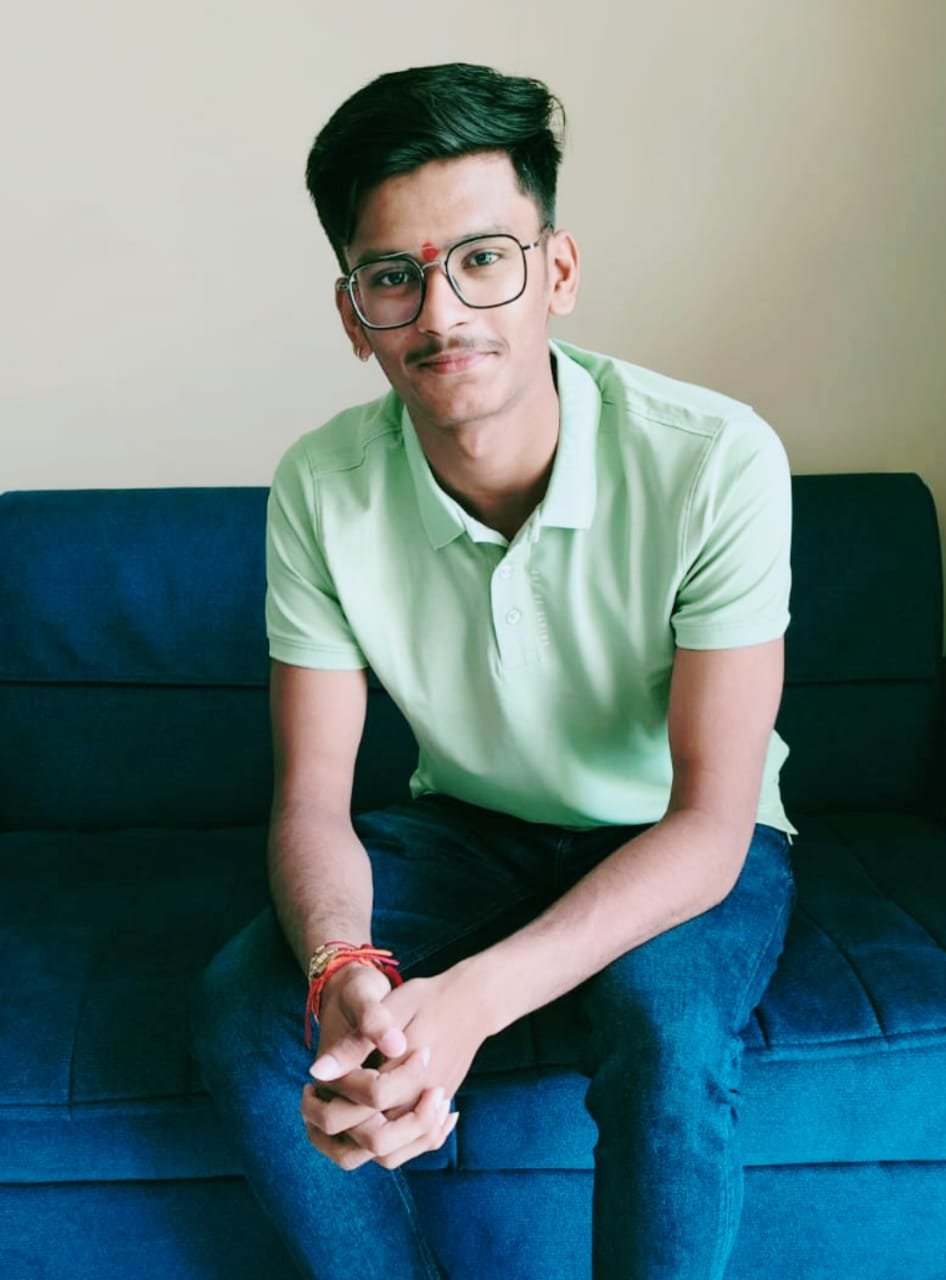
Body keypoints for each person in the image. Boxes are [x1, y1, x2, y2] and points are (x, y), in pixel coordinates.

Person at [191, 62, 797, 1280]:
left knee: (669, 1033)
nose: (442, 311)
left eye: (482, 259)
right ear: (353, 314)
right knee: (247, 1013)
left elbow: (712, 819)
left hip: (673, 833)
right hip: (469, 825)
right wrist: (342, 966)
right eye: (393, 276)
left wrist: (470, 999)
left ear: (556, 271)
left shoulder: (716, 457)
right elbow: (311, 799)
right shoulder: (320, 485)